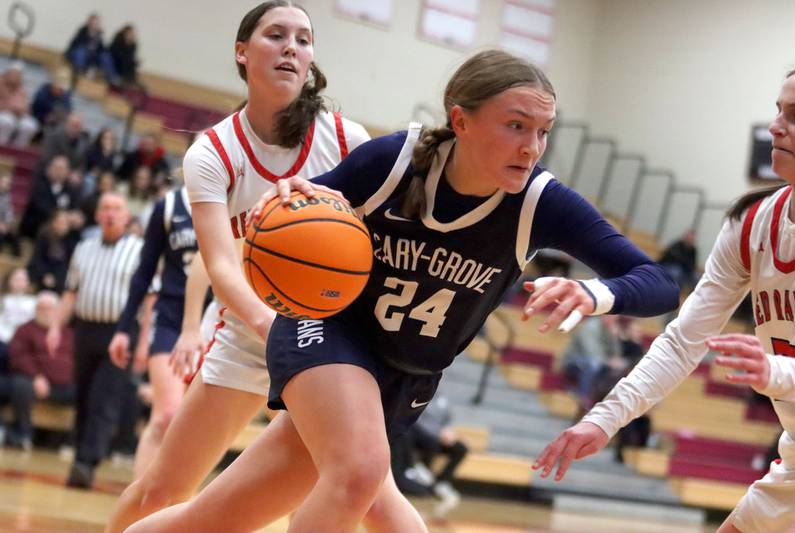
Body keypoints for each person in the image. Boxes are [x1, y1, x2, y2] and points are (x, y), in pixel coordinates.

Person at [126, 48, 678, 533]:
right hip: (328, 329)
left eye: (543, 131)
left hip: (407, 372)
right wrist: (292, 198)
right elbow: (297, 214)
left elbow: (661, 284)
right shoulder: (391, 162)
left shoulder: (541, 202)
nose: (532, 146)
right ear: (460, 121)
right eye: (516, 126)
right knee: (361, 473)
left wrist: (595, 294)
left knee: (218, 519)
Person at [105, 3, 369, 530]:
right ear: (242, 52)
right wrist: (272, 327)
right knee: (162, 488)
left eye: (304, 38)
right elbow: (219, 266)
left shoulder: (347, 140)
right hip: (249, 332)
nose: (292, 46)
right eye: (276, 35)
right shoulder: (213, 152)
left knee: (364, 490)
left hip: (326, 338)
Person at [534, 67, 795, 533]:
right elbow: (682, 342)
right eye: (779, 111)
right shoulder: (752, 223)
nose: (776, 126)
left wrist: (772, 371)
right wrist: (603, 420)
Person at [46, 191, 145, 489]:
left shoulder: (140, 250)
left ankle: (86, 463)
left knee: (105, 397)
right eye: (106, 208)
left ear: (127, 216)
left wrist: (143, 344)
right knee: (85, 395)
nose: (111, 213)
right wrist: (54, 326)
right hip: (85, 329)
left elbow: (150, 300)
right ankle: (81, 455)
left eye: (117, 208)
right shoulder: (83, 248)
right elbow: (70, 294)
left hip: (122, 333)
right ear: (97, 215)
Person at [108, 185, 197, 479]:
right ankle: (140, 503)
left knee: (194, 424)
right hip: (172, 317)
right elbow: (144, 271)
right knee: (166, 417)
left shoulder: (237, 199)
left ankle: (177, 502)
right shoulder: (169, 206)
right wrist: (123, 329)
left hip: (216, 318)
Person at [7, 291, 75, 449]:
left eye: (49, 308)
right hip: (34, 382)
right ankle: (23, 435)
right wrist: (36, 377)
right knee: (20, 385)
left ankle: (72, 442)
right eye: (41, 308)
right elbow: (18, 356)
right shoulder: (24, 330)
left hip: (65, 385)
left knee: (90, 391)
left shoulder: (68, 333)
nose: (45, 311)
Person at [26, 209, 80, 293]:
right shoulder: (44, 237)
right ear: (53, 222)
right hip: (44, 275)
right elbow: (37, 260)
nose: (64, 226)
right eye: (61, 222)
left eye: (66, 223)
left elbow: (69, 264)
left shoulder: (70, 241)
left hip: (60, 278)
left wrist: (58, 278)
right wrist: (44, 275)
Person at [65, 13, 119, 86]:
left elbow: (102, 49)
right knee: (81, 51)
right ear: (89, 22)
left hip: (91, 58)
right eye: (93, 22)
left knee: (105, 56)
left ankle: (112, 79)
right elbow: (79, 45)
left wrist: (99, 36)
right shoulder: (82, 31)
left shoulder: (99, 34)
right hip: (77, 55)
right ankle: (78, 74)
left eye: (97, 23)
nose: (95, 24)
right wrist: (91, 36)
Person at [0, 62, 38, 147]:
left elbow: (26, 107)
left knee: (30, 125)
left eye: (18, 75)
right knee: (7, 121)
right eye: (13, 74)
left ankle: (17, 150)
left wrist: (22, 111)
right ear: (8, 73)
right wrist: (9, 108)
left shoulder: (22, 89)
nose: (15, 77)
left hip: (18, 116)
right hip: (3, 113)